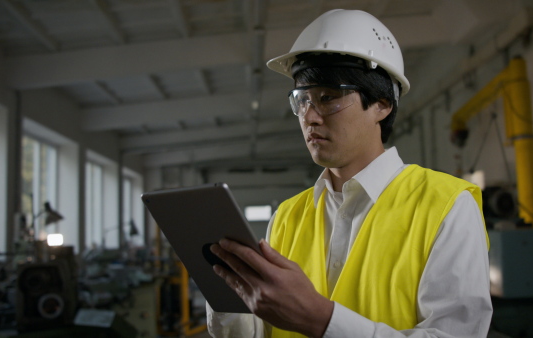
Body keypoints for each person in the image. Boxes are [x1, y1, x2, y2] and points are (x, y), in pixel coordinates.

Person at [207, 9, 492, 338]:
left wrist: (321, 320)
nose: (310, 117)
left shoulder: (446, 207)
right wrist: (223, 286)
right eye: (302, 100)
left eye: (328, 98)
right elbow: (256, 333)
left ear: (382, 104)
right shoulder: (287, 217)